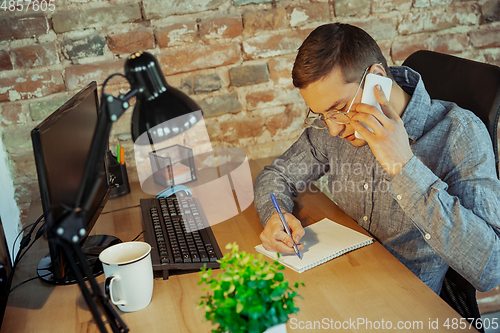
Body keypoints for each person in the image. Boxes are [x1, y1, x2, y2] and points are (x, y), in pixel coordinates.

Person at [253, 23, 500, 294]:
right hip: (342, 279)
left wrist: (404, 167)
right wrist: (275, 216)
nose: (333, 129)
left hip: (404, 304)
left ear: (377, 80)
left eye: (338, 109)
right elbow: (276, 175)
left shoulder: (459, 133)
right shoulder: (332, 126)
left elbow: (491, 269)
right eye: (322, 115)